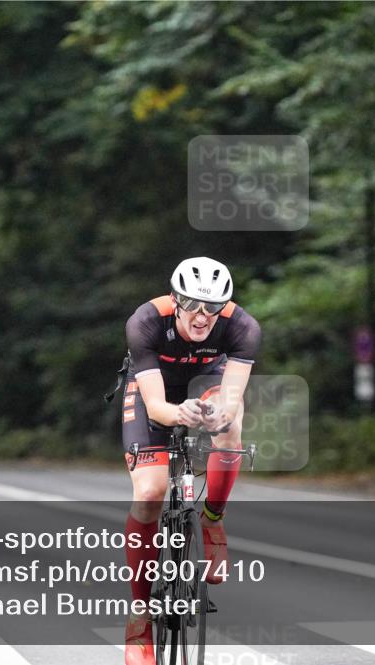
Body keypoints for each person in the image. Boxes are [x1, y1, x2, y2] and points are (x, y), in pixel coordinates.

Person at [120, 257, 261, 665]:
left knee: (231, 430)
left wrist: (220, 414)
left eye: (213, 307)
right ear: (175, 299)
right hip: (156, 393)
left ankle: (212, 520)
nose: (202, 317)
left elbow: (231, 397)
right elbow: (157, 406)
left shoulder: (243, 327)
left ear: (225, 307)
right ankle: (140, 617)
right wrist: (177, 413)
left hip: (209, 382)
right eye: (193, 305)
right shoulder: (146, 321)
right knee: (149, 492)